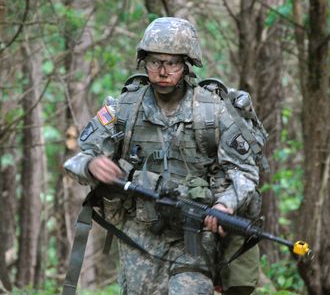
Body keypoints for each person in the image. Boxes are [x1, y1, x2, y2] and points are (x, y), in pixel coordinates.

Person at [64, 17, 261, 295]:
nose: (163, 71)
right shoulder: (123, 109)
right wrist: (92, 165)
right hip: (138, 236)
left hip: (192, 235)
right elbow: (75, 161)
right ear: (144, 62)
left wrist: (225, 205)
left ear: (187, 64)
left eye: (172, 63)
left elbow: (245, 172)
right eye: (155, 62)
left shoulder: (212, 112)